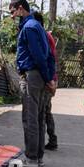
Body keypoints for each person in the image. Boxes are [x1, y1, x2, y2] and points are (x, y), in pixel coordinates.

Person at [9, 0, 55, 167]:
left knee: (30, 118)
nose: (12, 16)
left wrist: (48, 78)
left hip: (32, 76)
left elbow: (39, 56)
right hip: (40, 76)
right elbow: (49, 55)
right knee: (39, 117)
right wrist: (49, 78)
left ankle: (32, 157)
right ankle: (38, 156)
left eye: (13, 12)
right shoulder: (38, 26)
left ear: (21, 9)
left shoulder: (29, 27)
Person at [34, 11, 59, 151]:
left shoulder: (43, 36)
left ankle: (44, 141)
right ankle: (51, 140)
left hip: (47, 78)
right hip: (49, 78)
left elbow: (46, 59)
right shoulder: (46, 35)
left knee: (43, 112)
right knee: (46, 111)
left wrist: (50, 80)